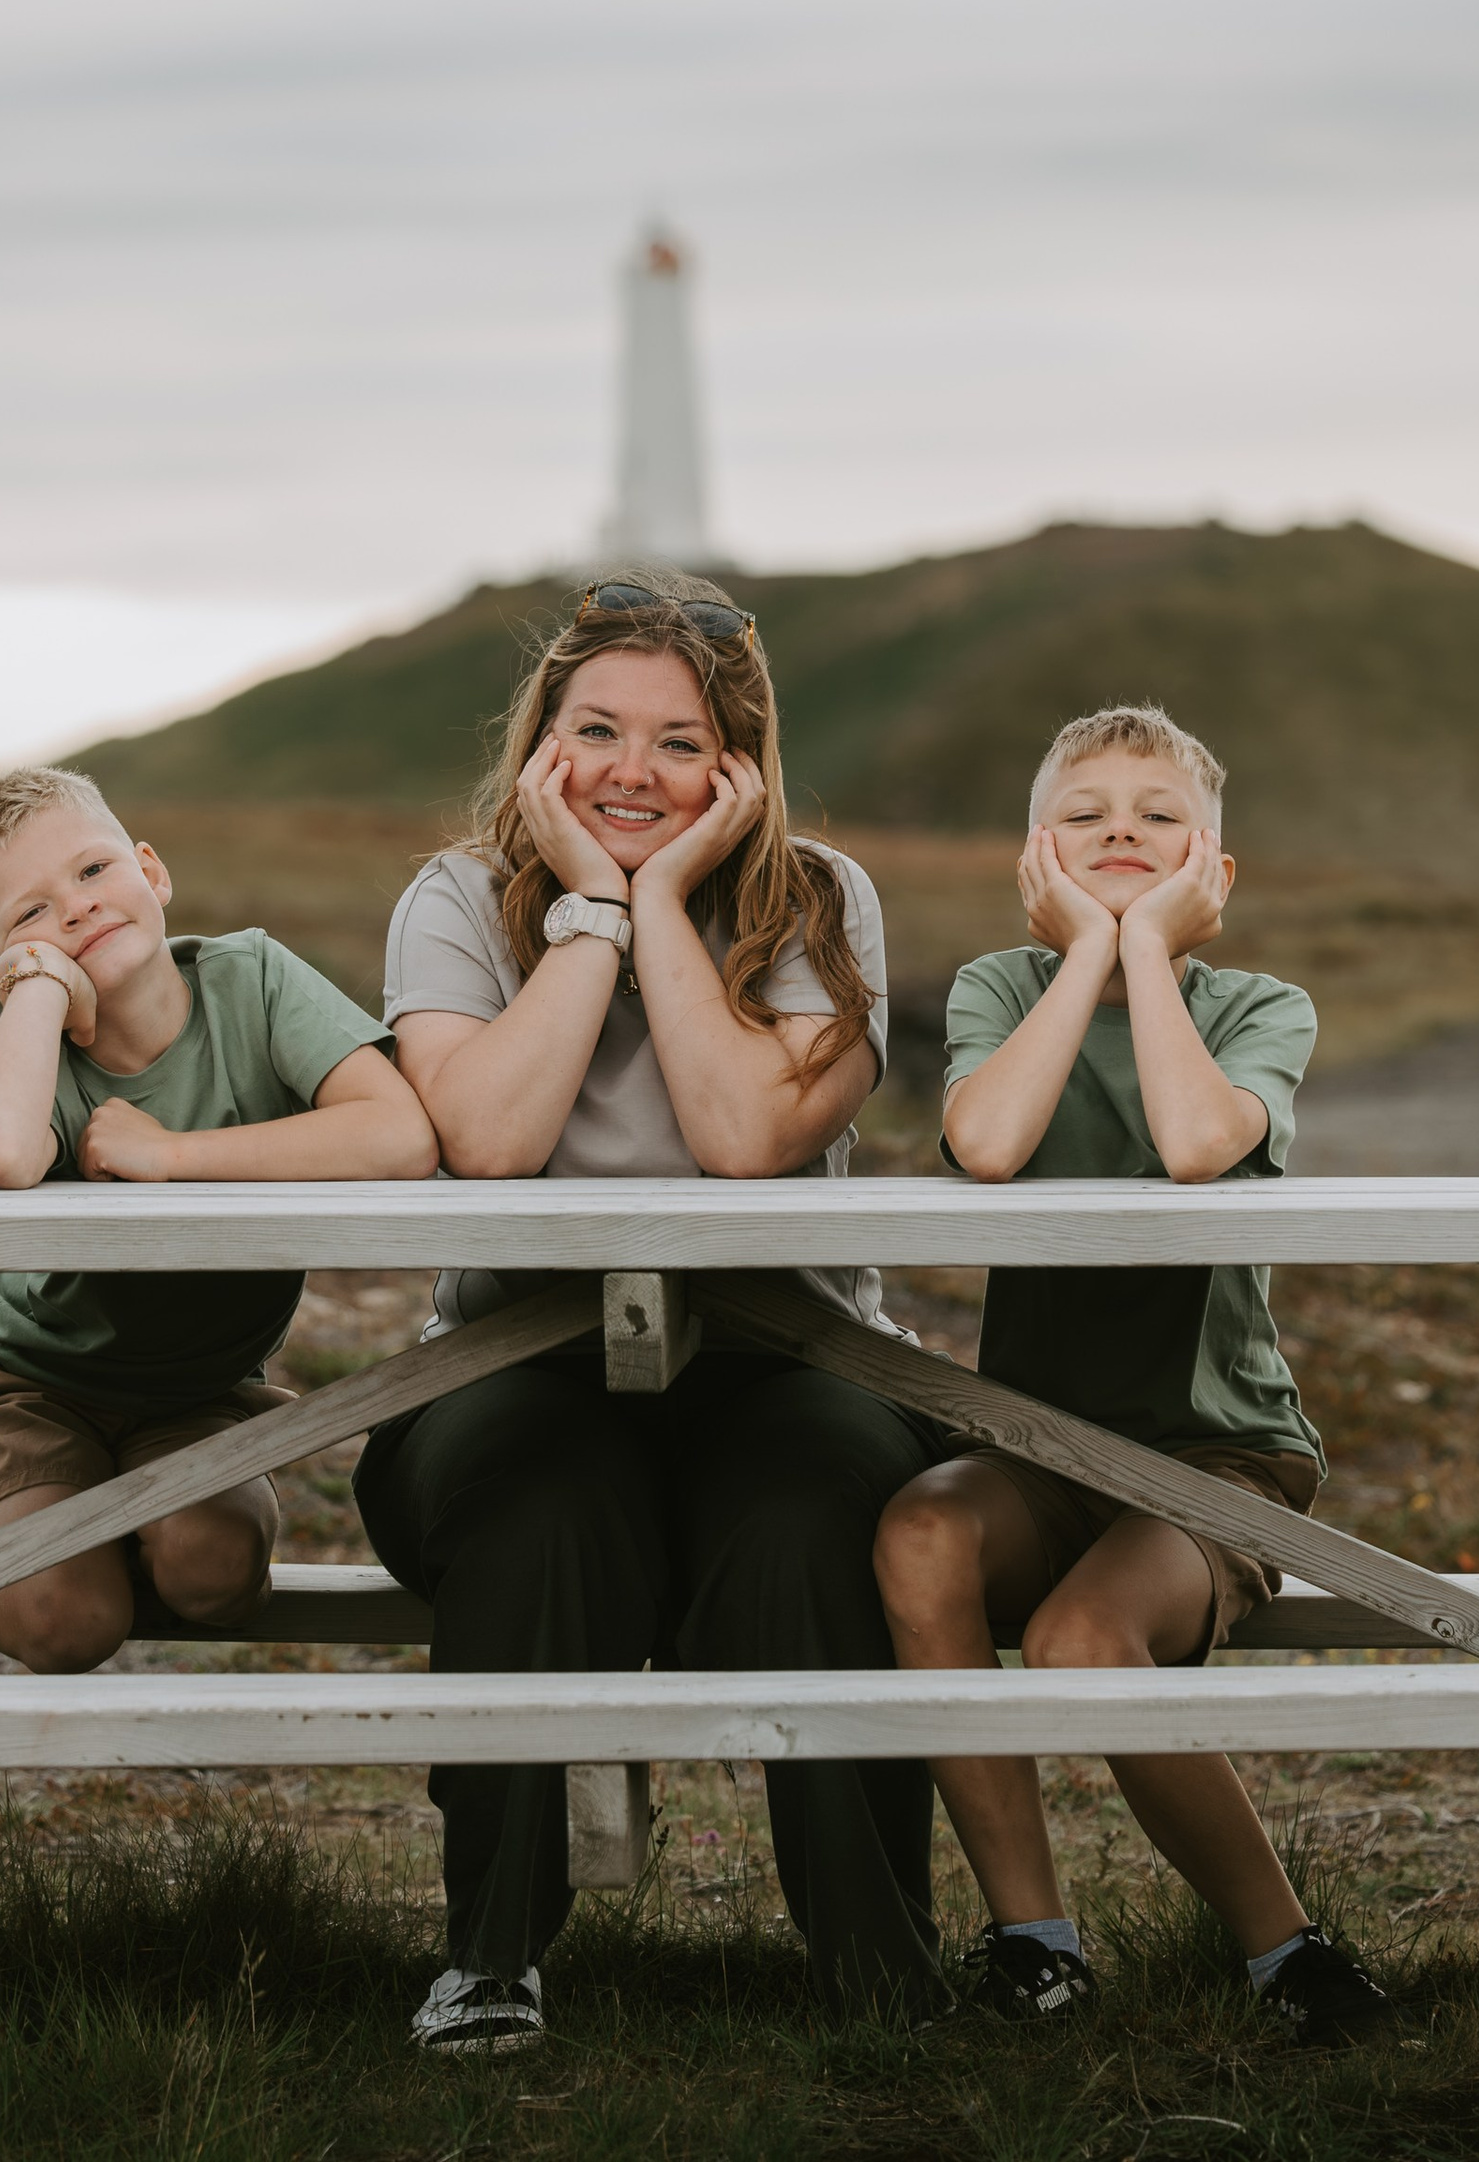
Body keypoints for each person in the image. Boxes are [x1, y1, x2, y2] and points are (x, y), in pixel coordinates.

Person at [354, 571, 952, 2055]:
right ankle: (489, 1957)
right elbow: (488, 1139)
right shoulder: (455, 901)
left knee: (814, 1519)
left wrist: (667, 899)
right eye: (597, 730)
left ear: (737, 766)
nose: (632, 772)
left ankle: (879, 1972)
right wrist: (589, 919)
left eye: (679, 743)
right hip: (514, 1365)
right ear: (539, 744)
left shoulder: (819, 899)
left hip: (788, 1360)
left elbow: (747, 1139)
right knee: (536, 1508)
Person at [871, 704, 1391, 2046]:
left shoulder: (1260, 1007)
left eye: (1160, 818)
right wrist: (1088, 955)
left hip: (1217, 1456)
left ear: (1212, 869)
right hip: (1039, 1449)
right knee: (920, 1531)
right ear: (1036, 856)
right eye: (1087, 814)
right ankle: (1035, 1945)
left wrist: (1143, 949)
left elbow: (1199, 1144)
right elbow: (989, 1144)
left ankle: (1286, 1952)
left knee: (1079, 1639)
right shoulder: (999, 989)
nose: (1122, 832)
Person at [0, 764, 436, 1674]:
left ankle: (87, 1522)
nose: (77, 909)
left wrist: (173, 1155)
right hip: (32, 1384)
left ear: (152, 872)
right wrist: (40, 990)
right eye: (31, 914)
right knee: (68, 1623)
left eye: (94, 871)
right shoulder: (32, 1054)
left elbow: (400, 1135)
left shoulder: (251, 980)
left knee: (214, 1576)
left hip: (202, 1389)